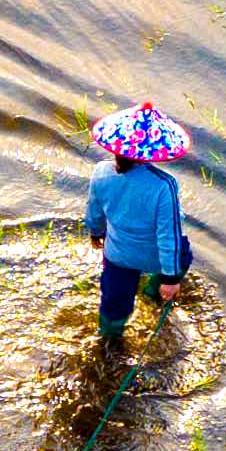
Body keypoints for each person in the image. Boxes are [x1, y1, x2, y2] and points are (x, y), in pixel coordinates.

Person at [83, 100, 194, 343]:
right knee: (183, 253)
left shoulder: (101, 172)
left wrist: (95, 232)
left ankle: (109, 340)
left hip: (117, 256)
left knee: (114, 302)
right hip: (151, 256)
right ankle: (154, 293)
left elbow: (94, 212)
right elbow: (169, 236)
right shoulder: (163, 186)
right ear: (154, 149)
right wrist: (171, 279)